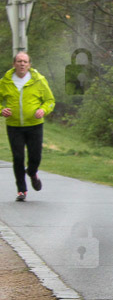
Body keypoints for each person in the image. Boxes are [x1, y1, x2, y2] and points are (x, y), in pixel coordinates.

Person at [0, 52, 55, 201]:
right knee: (18, 157)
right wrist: (1, 110)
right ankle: (21, 190)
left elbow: (50, 100)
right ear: (14, 64)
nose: (22, 64)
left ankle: (32, 172)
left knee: (35, 156)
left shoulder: (39, 80)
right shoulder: (5, 81)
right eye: (19, 61)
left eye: (25, 61)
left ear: (29, 65)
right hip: (14, 125)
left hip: (34, 125)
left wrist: (43, 109)